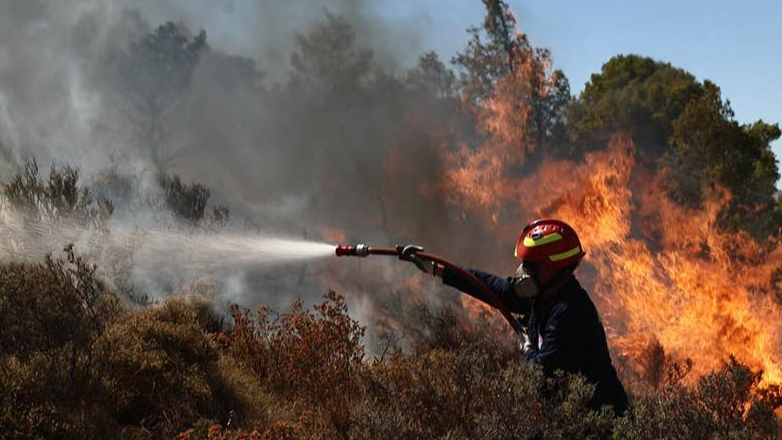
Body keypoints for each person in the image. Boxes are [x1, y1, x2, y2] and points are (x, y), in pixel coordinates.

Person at [402, 218, 628, 415]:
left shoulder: (569, 312)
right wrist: (437, 269)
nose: (523, 271)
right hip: (570, 413)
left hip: (600, 420)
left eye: (531, 265)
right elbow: (491, 288)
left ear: (553, 267)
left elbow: (541, 374)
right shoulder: (541, 294)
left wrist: (528, 351)